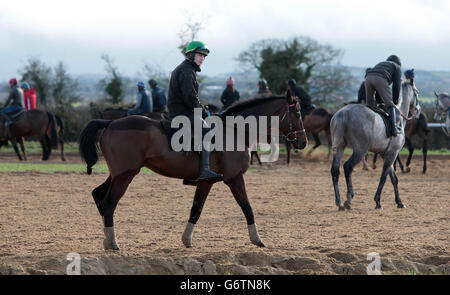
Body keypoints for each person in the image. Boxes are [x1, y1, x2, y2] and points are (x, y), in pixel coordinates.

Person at [167, 40, 222, 182]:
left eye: (204, 56)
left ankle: (190, 173)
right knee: (207, 131)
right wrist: (204, 112)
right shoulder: (186, 71)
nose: (202, 58)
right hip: (181, 112)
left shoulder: (187, 69)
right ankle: (204, 170)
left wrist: (202, 109)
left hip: (181, 110)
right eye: (200, 55)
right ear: (191, 55)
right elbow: (190, 97)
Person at [365, 55, 403, 136]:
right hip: (380, 78)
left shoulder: (381, 63)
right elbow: (396, 86)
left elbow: (377, 89)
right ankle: (394, 129)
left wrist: (379, 102)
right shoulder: (397, 67)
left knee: (369, 105)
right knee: (390, 105)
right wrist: (394, 102)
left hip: (368, 78)